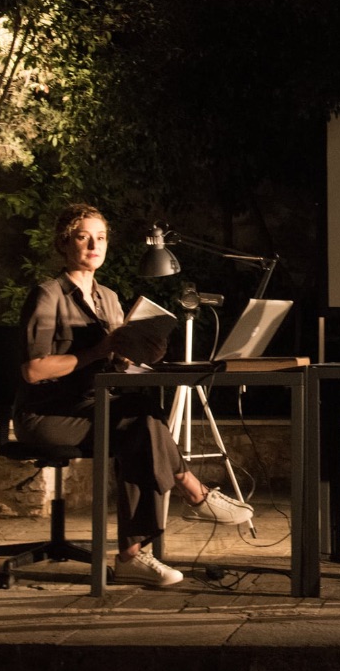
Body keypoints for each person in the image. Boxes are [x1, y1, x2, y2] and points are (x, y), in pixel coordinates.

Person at [15, 203, 253, 587]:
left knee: (143, 422)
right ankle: (192, 494)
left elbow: (115, 359)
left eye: (101, 237)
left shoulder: (108, 297)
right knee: (141, 428)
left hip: (93, 404)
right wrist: (97, 350)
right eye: (83, 237)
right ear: (64, 243)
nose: (94, 245)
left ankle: (134, 552)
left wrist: (142, 351)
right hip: (47, 414)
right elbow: (33, 370)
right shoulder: (48, 295)